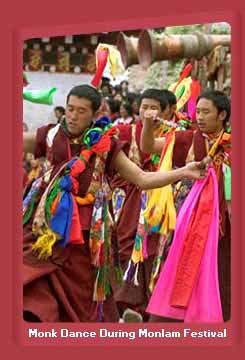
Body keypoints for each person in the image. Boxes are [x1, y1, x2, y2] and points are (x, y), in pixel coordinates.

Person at [23, 84, 205, 323]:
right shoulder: (49, 135)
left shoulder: (107, 146)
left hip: (86, 231)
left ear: (95, 115)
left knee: (84, 294)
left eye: (81, 111)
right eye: (70, 109)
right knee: (30, 278)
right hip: (44, 224)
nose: (73, 116)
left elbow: (142, 178)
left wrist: (184, 172)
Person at [140, 89, 231, 322]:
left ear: (222, 115)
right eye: (197, 111)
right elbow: (148, 146)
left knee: (220, 272)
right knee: (175, 265)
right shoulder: (187, 138)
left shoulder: (231, 145)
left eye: (206, 112)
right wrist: (148, 125)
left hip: (221, 222)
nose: (199, 117)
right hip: (185, 218)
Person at [110, 89, 175, 321]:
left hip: (164, 204)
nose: (147, 112)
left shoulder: (176, 135)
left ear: (169, 111)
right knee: (125, 246)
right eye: (143, 107)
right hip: (130, 203)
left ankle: (151, 306)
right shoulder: (125, 132)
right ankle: (127, 303)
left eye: (153, 108)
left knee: (158, 251)